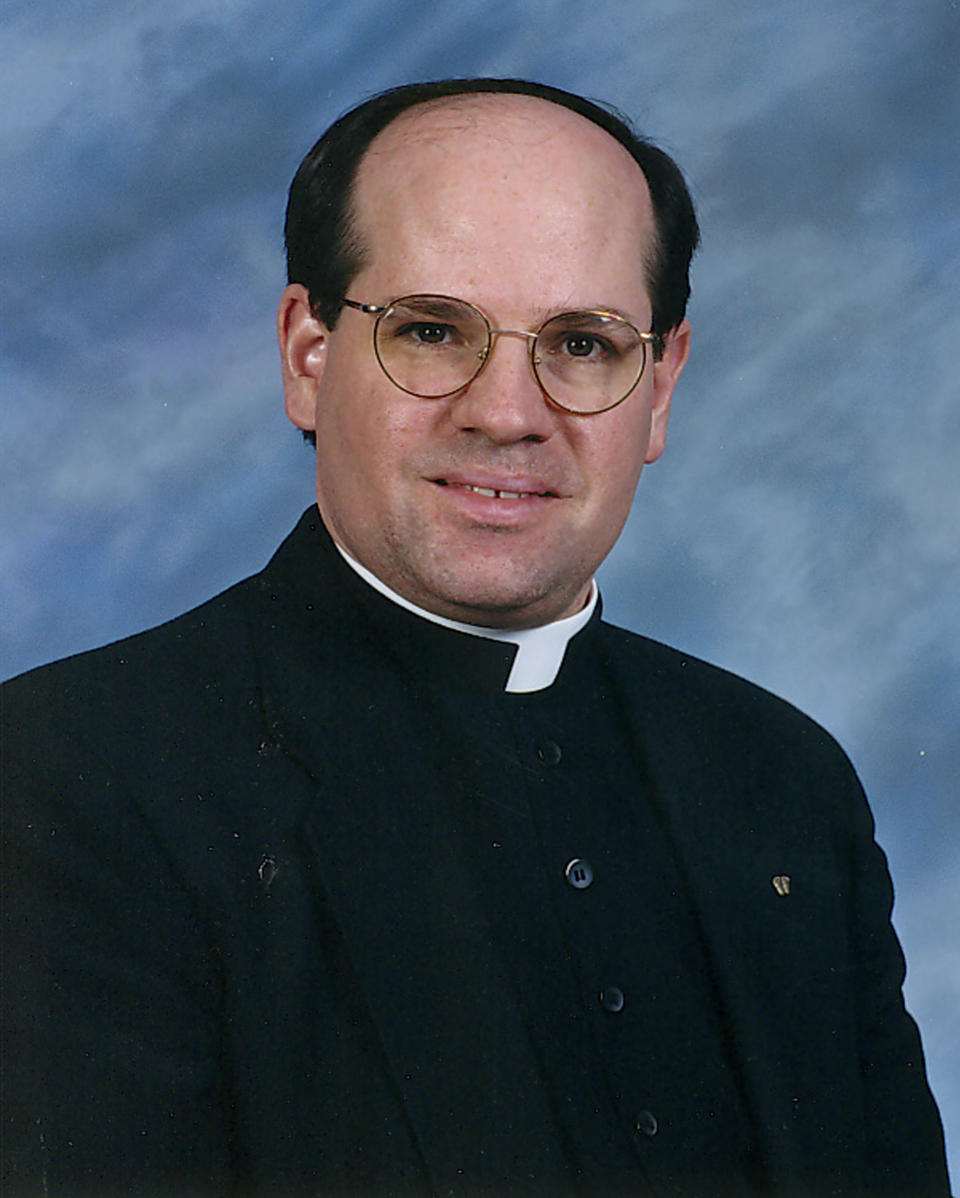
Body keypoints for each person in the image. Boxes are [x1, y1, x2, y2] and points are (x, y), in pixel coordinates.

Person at [0, 78, 949, 1198]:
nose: (508, 412)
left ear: (661, 387)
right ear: (308, 353)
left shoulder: (782, 780)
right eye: (433, 330)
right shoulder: (70, 772)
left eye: (585, 344)